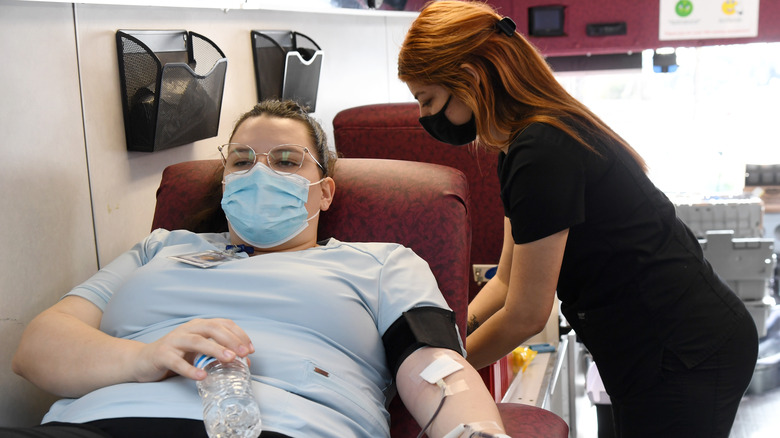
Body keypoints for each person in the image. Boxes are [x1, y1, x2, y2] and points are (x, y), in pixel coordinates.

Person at [8, 100, 509, 438]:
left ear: (326, 190)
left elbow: (436, 367)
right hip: (98, 423)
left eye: (288, 161)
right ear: (224, 181)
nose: (260, 173)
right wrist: (144, 357)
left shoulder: (381, 263)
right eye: (242, 160)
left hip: (288, 427)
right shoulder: (160, 248)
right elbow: (38, 349)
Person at [398, 2, 758, 437]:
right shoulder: (517, 145)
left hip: (685, 351)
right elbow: (506, 282)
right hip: (650, 350)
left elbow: (527, 313)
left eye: (428, 99)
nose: (423, 117)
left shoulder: (542, 150)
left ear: (471, 77)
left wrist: (434, 375)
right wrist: (449, 337)